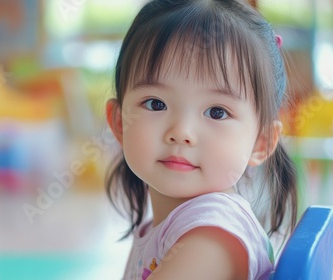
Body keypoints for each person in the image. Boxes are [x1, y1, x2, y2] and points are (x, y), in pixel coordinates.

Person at [104, 0, 298, 279]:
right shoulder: (164, 229)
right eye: (156, 104)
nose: (182, 132)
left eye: (217, 112)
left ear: (262, 141)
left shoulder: (211, 237)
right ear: (120, 123)